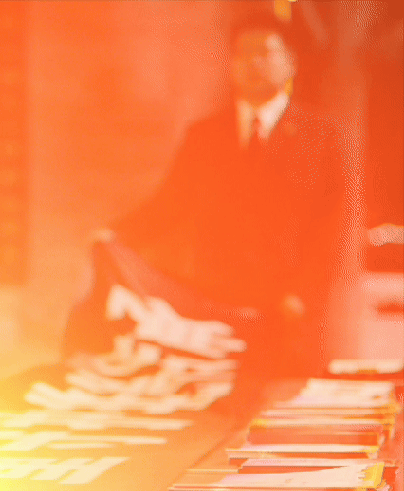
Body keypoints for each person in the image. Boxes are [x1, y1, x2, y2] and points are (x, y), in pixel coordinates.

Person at [108, 12, 344, 376]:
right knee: (217, 397)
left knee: (280, 396)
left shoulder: (321, 138)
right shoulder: (204, 136)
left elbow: (332, 227)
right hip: (217, 309)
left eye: (265, 53)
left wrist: (302, 294)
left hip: (288, 309)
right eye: (242, 54)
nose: (253, 64)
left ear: (291, 62)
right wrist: (116, 236)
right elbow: (168, 206)